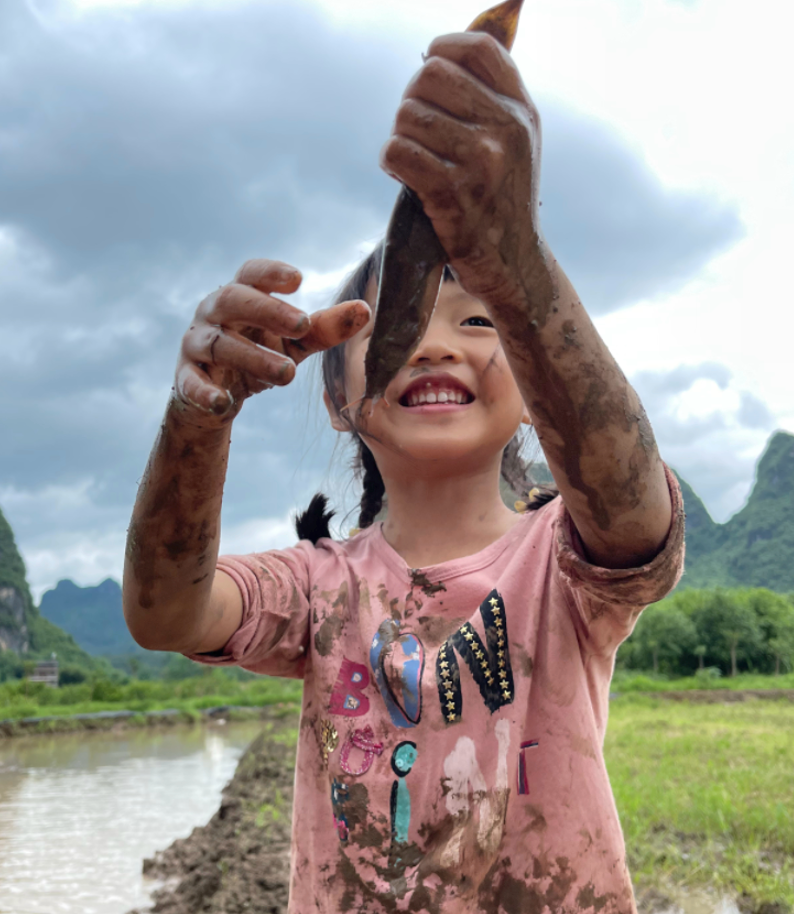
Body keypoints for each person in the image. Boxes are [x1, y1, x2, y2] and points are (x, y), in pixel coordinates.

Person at [123, 29, 684, 914]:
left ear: (536, 387)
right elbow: (165, 613)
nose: (432, 341)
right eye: (397, 321)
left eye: (477, 321)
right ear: (340, 399)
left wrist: (518, 264)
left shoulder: (563, 559)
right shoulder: (316, 589)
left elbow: (631, 510)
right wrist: (197, 423)